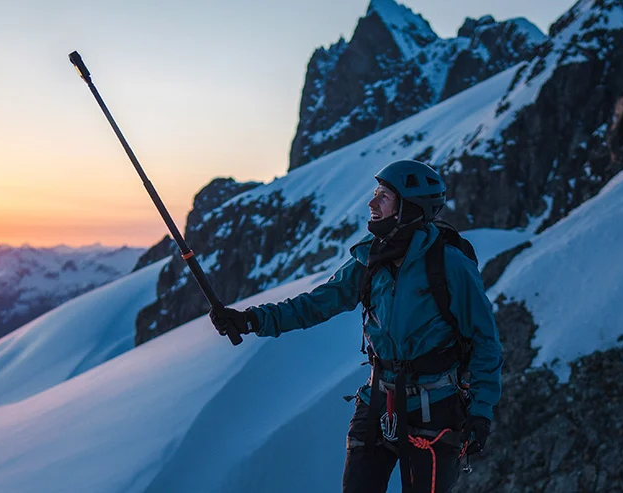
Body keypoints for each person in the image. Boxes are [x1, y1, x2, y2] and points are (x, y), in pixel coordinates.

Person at [209, 160, 502, 493]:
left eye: (384, 196)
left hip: (437, 410)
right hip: (378, 401)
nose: (372, 203)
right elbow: (315, 304)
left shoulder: (450, 264)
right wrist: (250, 320)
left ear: (410, 207)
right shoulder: (369, 258)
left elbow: (485, 340)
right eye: (376, 193)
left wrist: (480, 411)